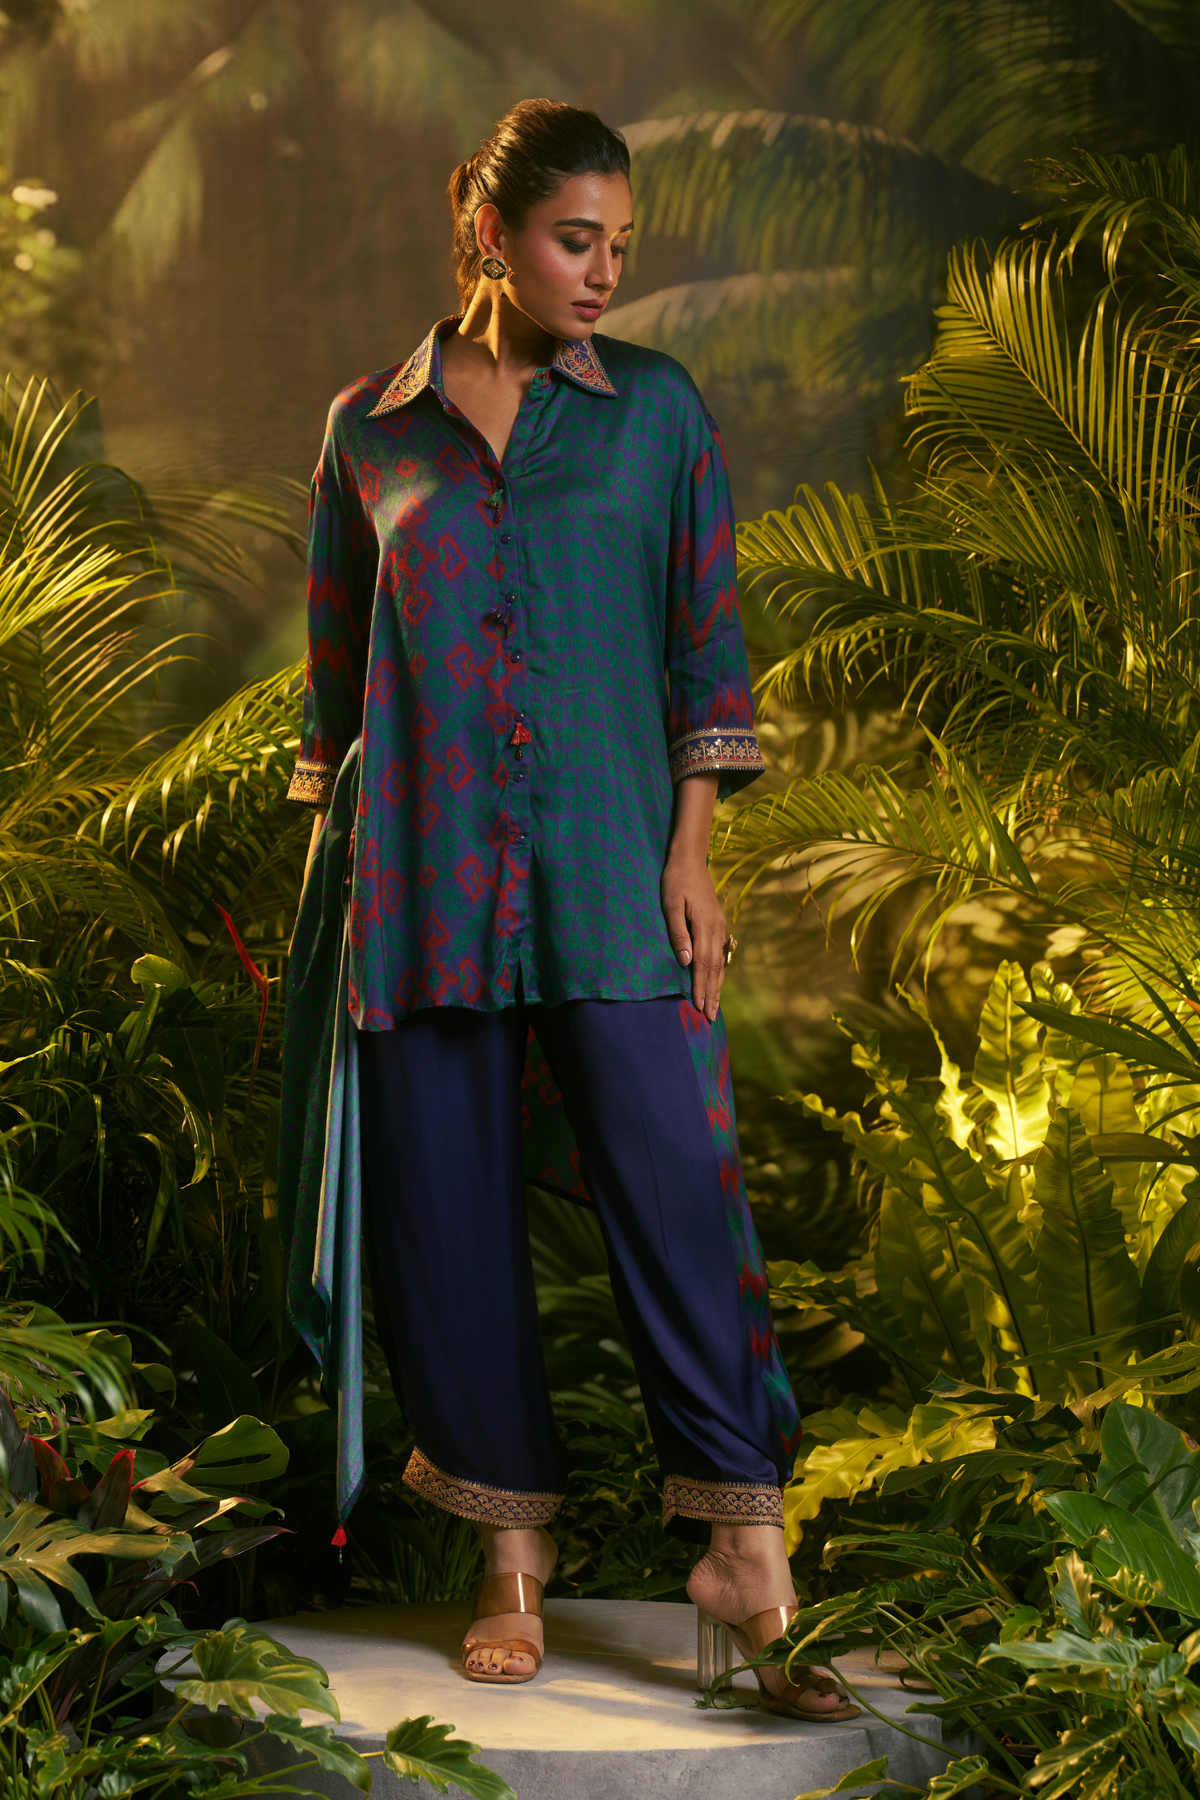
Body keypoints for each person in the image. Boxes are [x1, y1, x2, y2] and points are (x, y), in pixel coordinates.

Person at [278, 97, 857, 1722]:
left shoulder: (656, 412)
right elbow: (334, 687)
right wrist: (329, 906)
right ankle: (510, 1560)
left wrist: (694, 852)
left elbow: (706, 641)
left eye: (619, 245)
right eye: (573, 240)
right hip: (423, 876)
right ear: (492, 233)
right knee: (448, 1212)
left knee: (679, 1188)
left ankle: (744, 1553)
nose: (604, 273)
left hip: (613, 860)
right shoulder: (370, 429)